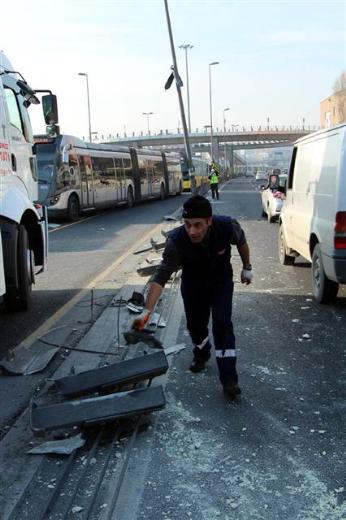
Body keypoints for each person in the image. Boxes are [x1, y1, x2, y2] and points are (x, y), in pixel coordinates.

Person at [132, 195, 253, 399]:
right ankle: (202, 351)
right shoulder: (176, 240)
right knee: (196, 326)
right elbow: (161, 275)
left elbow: (241, 242)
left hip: (220, 281)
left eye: (198, 225)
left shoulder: (227, 227)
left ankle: (230, 379)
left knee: (222, 325)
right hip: (193, 283)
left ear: (209, 221)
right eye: (187, 225)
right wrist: (146, 312)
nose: (192, 231)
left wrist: (247, 267)